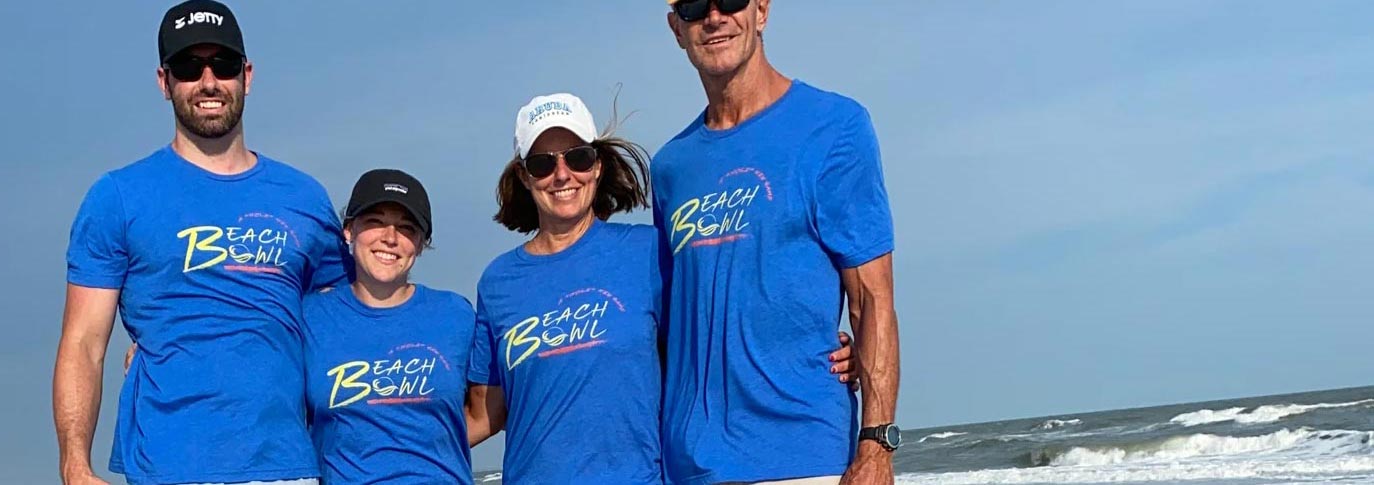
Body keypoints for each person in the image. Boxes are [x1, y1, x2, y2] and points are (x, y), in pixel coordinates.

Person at [465, 93, 858, 484]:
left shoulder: (648, 252)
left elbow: (719, 328)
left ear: (598, 166)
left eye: (578, 157)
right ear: (523, 175)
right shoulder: (499, 282)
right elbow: (486, 413)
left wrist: (820, 350)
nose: (563, 174)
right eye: (542, 164)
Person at [52, 1, 346, 484]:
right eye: (189, 67)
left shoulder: (305, 197)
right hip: (167, 467)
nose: (209, 81)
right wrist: (75, 466)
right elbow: (83, 343)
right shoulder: (118, 197)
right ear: (164, 83)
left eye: (223, 65)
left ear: (246, 75)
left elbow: (339, 321)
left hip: (287, 465)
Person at [654, 1, 902, 484]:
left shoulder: (835, 127)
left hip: (804, 455)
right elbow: (670, 325)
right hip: (689, 466)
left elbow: (872, 299)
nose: (714, 17)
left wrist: (876, 446)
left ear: (762, 10)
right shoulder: (670, 166)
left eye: (730, 1)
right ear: (676, 29)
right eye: (693, 7)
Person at [299, 169, 475, 484]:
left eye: (407, 228)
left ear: (421, 244)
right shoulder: (310, 318)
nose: (390, 237)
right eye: (375, 222)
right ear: (349, 231)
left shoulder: (456, 315)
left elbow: (488, 409)